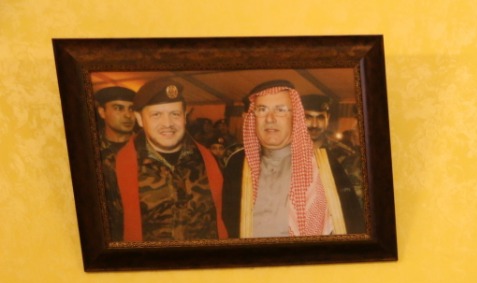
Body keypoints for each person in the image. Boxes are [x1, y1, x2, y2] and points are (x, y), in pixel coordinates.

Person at [103, 78, 227, 242]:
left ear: (185, 116)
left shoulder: (210, 161)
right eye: (156, 115)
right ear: (139, 119)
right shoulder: (112, 167)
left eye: (175, 114)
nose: (167, 124)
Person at [222, 80, 348, 237]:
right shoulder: (237, 164)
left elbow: (350, 224)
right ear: (252, 118)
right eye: (262, 109)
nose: (270, 118)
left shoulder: (324, 165)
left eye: (280, 110)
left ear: (295, 117)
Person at [301, 93, 366, 233]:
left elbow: (357, 201)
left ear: (328, 118)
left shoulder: (346, 155)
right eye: (308, 117)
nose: (314, 124)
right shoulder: (283, 154)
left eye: (320, 117)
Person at [94, 85, 135, 160]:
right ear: (102, 112)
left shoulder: (146, 145)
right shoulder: (91, 146)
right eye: (118, 108)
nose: (128, 115)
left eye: (131, 109)